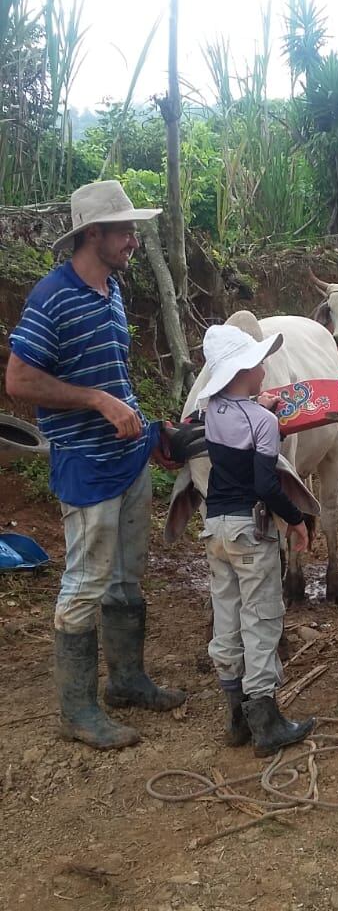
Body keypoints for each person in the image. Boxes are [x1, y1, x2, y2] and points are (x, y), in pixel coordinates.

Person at [6, 179, 187, 750]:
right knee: (85, 583)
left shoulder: (111, 289)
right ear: (93, 235)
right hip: (86, 463)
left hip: (127, 460)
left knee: (127, 576)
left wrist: (147, 427)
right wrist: (94, 401)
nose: (133, 240)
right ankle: (77, 711)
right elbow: (18, 381)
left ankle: (127, 682)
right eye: (125, 231)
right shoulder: (52, 297)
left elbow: (116, 375)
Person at [196, 323, 317, 757]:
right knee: (261, 618)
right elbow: (266, 484)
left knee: (226, 616)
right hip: (249, 530)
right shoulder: (263, 421)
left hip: (215, 529)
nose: (265, 368)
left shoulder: (210, 410)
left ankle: (236, 717)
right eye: (259, 362)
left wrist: (257, 407)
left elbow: (235, 421)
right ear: (244, 371)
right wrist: (296, 520)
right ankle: (266, 723)